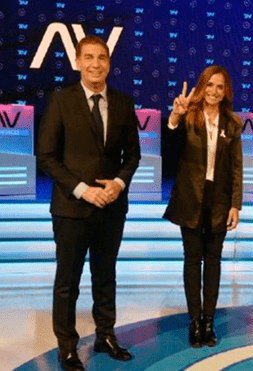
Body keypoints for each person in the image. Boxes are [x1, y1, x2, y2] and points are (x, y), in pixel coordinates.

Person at [37, 35, 140, 371]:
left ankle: (105, 334)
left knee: (105, 275)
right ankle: (67, 346)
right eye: (89, 57)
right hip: (72, 208)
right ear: (78, 61)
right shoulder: (61, 101)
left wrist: (119, 183)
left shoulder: (124, 103)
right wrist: (82, 189)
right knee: (68, 280)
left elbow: (133, 155)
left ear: (109, 63)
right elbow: (47, 156)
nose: (96, 64)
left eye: (102, 58)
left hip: (112, 207)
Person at [163, 66, 243, 348]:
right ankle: (194, 321)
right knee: (192, 260)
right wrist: (175, 116)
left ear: (226, 92)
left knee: (213, 262)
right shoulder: (189, 117)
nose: (214, 92)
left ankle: (209, 321)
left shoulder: (232, 124)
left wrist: (236, 205)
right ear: (201, 87)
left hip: (219, 202)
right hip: (191, 198)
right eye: (209, 85)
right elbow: (169, 148)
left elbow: (236, 168)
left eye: (219, 87)